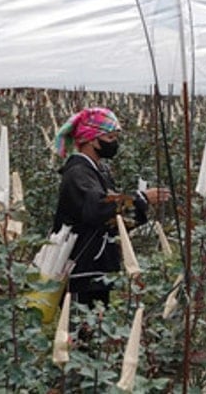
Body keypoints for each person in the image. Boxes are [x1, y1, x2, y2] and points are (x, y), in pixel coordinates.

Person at [51, 107, 169, 307]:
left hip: (97, 264)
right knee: (80, 328)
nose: (115, 143)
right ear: (91, 140)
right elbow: (98, 210)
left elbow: (113, 218)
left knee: (96, 323)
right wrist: (141, 199)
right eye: (110, 137)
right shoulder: (78, 173)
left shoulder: (98, 170)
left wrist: (139, 206)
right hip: (81, 267)